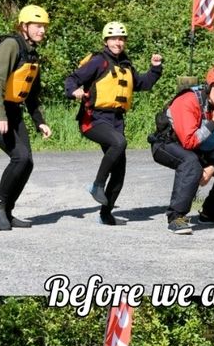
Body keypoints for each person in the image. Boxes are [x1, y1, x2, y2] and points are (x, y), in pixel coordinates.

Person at [64, 21, 163, 225]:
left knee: (119, 171)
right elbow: (73, 79)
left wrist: (155, 69)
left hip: (116, 121)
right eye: (114, 38)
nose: (118, 42)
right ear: (106, 40)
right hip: (93, 119)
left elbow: (143, 84)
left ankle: (106, 214)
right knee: (119, 143)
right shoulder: (98, 61)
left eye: (121, 38)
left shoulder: (125, 64)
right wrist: (73, 90)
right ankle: (97, 185)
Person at [0, 5, 52, 231]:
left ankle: (7, 211)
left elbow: (30, 94)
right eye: (38, 26)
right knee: (19, 157)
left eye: (44, 26)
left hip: (14, 111)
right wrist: (0, 116)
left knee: (27, 162)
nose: (42, 30)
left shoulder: (32, 53)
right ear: (24, 26)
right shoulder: (11, 45)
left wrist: (39, 121)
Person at [149, 66, 214, 234]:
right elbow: (188, 142)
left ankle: (209, 213)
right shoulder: (188, 100)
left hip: (197, 149)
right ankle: (176, 217)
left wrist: (213, 165)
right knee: (191, 163)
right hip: (167, 145)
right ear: (208, 87)